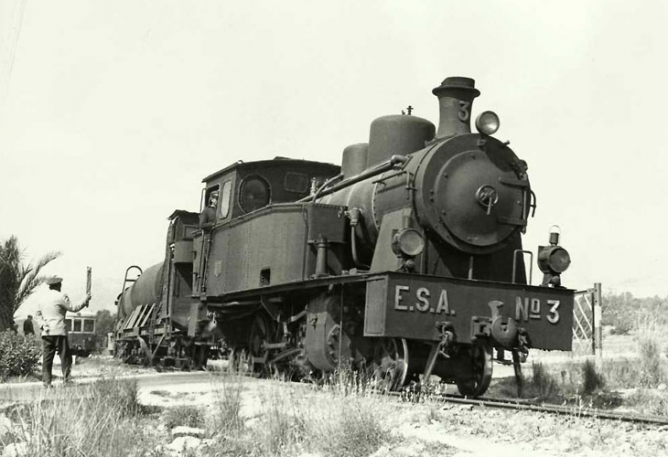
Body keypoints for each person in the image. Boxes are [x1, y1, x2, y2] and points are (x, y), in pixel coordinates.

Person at [35, 276, 91, 387]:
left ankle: (46, 382)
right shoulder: (61, 297)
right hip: (59, 331)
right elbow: (74, 308)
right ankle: (67, 380)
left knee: (47, 358)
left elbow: (37, 315)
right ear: (59, 286)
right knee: (65, 357)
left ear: (50, 286)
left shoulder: (42, 299)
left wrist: (42, 325)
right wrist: (85, 300)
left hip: (47, 332)